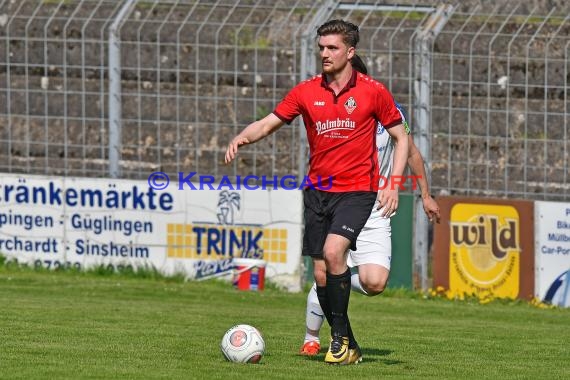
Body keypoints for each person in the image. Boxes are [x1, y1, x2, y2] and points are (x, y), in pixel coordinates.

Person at [225, 20, 409, 364]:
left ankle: (337, 339)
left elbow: (402, 139)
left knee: (334, 250)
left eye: (332, 48)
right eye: (321, 47)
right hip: (317, 192)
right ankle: (349, 343)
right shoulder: (306, 91)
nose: (324, 53)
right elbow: (268, 122)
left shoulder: (373, 91)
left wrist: (394, 183)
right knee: (322, 273)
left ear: (350, 52)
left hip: (357, 191)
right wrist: (243, 137)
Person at [298, 55, 441, 364]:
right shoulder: (332, 117)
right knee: (330, 265)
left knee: (375, 282)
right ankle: (312, 337)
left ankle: (326, 285)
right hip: (340, 201)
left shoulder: (387, 111)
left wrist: (426, 195)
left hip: (375, 208)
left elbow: (412, 152)